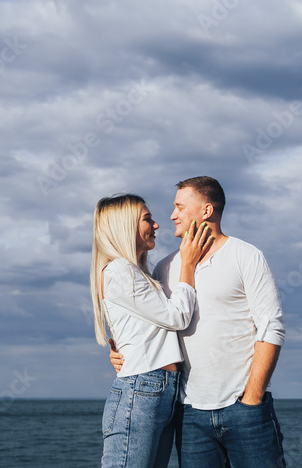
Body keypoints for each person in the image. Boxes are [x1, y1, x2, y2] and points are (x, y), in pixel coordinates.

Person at [110, 177, 287, 467]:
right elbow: (150, 327)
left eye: (179, 206)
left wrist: (252, 400)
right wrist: (119, 352)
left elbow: (271, 328)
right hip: (189, 414)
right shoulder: (165, 268)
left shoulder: (246, 255)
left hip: (245, 409)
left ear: (206, 211)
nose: (171, 215)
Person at [91, 193, 214, 468]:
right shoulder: (120, 271)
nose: (157, 225)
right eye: (148, 219)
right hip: (143, 387)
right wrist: (188, 264)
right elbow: (178, 316)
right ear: (125, 226)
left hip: (160, 389)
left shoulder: (136, 272)